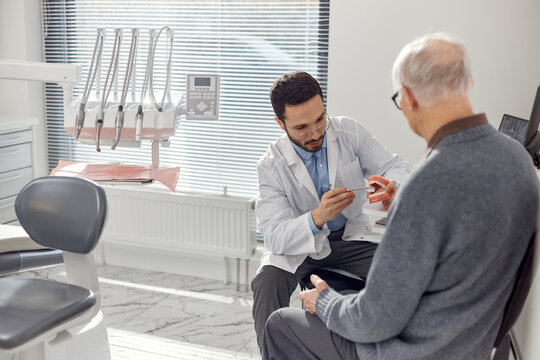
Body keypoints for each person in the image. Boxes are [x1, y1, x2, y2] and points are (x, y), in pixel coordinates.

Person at [262, 33, 539, 360]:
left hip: (411, 349)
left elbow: (371, 322)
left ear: (407, 96)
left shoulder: (425, 185)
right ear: (469, 83)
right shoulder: (519, 159)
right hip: (471, 341)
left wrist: (323, 301)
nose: (315, 132)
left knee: (280, 323)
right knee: (277, 279)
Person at [252, 71, 413, 350]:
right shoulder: (270, 165)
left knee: (404, 268)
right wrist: (317, 217)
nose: (315, 132)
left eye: (320, 119)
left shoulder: (348, 131)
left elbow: (395, 166)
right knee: (267, 282)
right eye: (302, 127)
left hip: (348, 240)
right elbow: (275, 237)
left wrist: (391, 185)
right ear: (280, 123)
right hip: (298, 249)